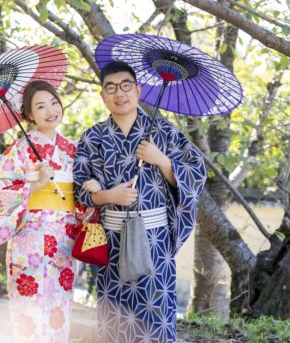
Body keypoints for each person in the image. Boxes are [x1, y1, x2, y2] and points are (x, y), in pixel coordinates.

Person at [73, 61, 207, 342]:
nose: (119, 93)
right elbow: (78, 190)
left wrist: (162, 160)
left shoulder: (164, 131)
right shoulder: (92, 137)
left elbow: (196, 174)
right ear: (102, 95)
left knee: (154, 318)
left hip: (154, 240)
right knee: (115, 320)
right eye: (111, 88)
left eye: (126, 85)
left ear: (138, 90)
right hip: (112, 240)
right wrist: (107, 195)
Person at [0, 80, 87, 342]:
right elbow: (0, 189)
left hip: (63, 238)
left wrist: (86, 204)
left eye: (54, 102)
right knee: (27, 308)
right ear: (29, 114)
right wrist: (35, 185)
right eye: (40, 107)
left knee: (59, 306)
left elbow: (82, 195)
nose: (50, 110)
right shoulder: (19, 150)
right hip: (28, 235)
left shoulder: (74, 149)